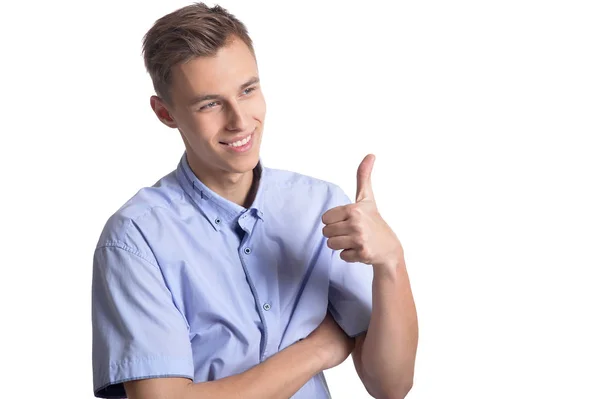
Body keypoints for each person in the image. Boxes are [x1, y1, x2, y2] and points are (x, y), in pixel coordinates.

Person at [91, 3, 418, 399]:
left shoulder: (322, 206)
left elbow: (391, 386)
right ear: (166, 113)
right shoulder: (136, 239)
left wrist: (391, 263)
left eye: (248, 90)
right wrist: (317, 349)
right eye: (209, 103)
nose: (240, 120)